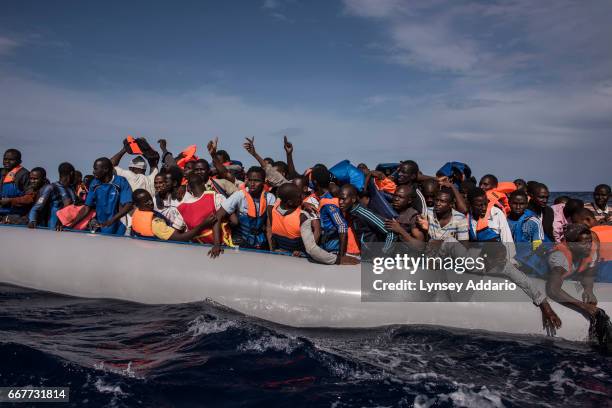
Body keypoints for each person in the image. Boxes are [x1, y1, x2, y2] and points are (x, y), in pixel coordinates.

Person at [545, 223, 610, 339]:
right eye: (583, 243)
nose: (588, 246)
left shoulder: (589, 249)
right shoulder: (559, 257)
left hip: (570, 275)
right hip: (544, 274)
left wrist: (589, 290)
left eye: (589, 241)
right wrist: (584, 306)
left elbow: (590, 272)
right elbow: (552, 289)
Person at [65, 157, 133, 235]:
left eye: (95, 169)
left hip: (118, 225)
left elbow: (128, 205)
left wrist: (112, 220)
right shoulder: (94, 183)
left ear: (106, 169)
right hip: (101, 225)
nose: (93, 172)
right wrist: (70, 226)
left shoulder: (121, 181)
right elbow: (87, 207)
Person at [215, 166, 276, 249]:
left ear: (264, 181)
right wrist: (217, 244)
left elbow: (269, 228)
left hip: (261, 243)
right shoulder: (239, 195)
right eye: (250, 180)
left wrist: (272, 250)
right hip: (240, 243)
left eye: (257, 181)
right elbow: (218, 216)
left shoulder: (270, 197)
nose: (252, 184)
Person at [131, 189, 218, 245]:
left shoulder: (137, 214)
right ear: (137, 205)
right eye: (146, 202)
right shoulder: (155, 224)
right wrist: (203, 225)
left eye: (150, 199)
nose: (150, 203)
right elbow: (180, 239)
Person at [338, 184, 396, 254]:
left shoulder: (364, 213)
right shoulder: (351, 213)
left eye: (343, 199)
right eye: (339, 199)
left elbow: (391, 233)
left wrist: (384, 254)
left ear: (353, 199)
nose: (340, 202)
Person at [177, 174, 225, 257]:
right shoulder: (216, 197)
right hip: (221, 249)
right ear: (204, 184)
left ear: (188, 188)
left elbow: (176, 236)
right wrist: (216, 244)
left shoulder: (182, 208)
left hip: (196, 252)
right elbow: (233, 220)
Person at [27, 162, 77, 229]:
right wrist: (32, 221)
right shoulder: (51, 188)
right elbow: (36, 208)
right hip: (52, 232)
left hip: (69, 231)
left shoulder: (71, 189)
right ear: (71, 173)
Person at [0, 149, 30, 216]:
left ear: (19, 161)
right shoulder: (1, 172)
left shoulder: (24, 174)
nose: (7, 162)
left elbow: (30, 198)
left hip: (15, 214)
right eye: (5, 159)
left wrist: (11, 200)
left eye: (11, 160)